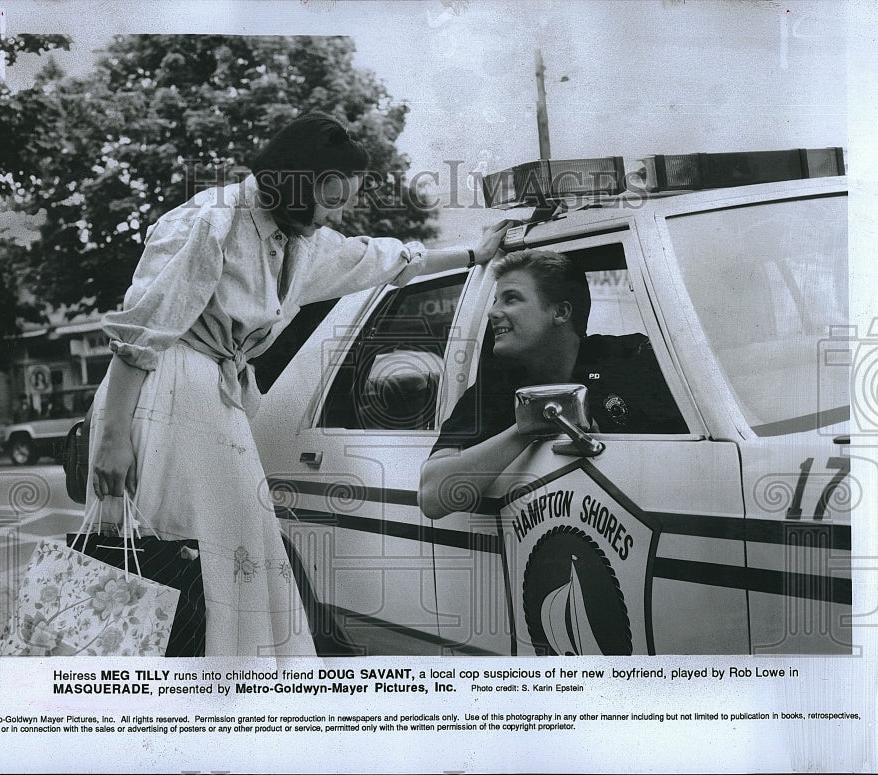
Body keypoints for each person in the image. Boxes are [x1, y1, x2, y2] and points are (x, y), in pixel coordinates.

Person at [88, 112, 510, 656]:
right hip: (163, 390)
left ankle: (225, 694)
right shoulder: (211, 219)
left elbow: (382, 259)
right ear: (296, 183)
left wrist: (475, 254)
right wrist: (113, 436)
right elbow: (142, 333)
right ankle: (170, 694)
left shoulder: (302, 244)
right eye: (332, 199)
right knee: (170, 548)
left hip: (216, 397)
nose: (338, 213)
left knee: (225, 558)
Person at [418, 248, 685, 520]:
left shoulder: (633, 360)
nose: (493, 312)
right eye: (496, 300)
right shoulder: (495, 388)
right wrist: (529, 427)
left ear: (560, 312)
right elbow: (431, 497)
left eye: (511, 299)